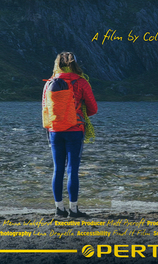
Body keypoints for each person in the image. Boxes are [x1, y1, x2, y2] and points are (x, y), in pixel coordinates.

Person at [42, 51, 97, 218]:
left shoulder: (49, 83)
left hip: (54, 131)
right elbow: (93, 108)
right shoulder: (81, 82)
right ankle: (74, 210)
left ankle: (59, 208)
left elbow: (45, 108)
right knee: (72, 169)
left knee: (57, 169)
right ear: (75, 64)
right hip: (75, 130)